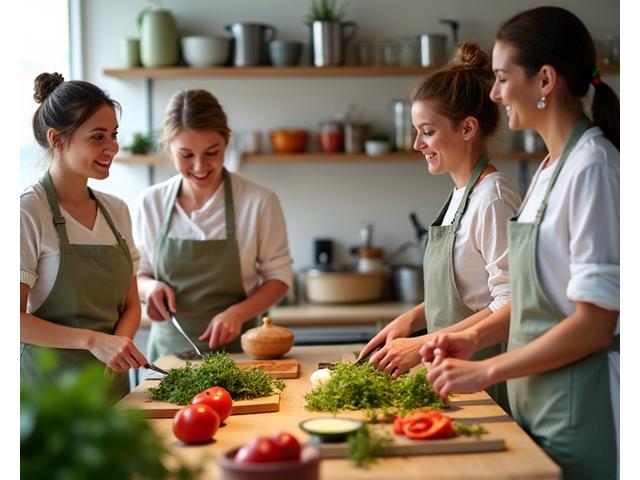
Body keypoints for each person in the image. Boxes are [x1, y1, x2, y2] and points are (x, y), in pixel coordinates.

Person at [421, 7, 619, 480]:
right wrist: (468, 338)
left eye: (503, 78)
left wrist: (488, 371)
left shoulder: (594, 168)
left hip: (578, 407)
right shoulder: (549, 172)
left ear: (545, 80)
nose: (494, 94)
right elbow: (532, 304)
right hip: (538, 404)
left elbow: (595, 325)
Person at [358, 43, 521, 411]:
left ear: (467, 128)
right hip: (453, 378)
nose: (417, 144)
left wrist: (421, 344)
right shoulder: (460, 195)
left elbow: (514, 302)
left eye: (427, 132)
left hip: (486, 381)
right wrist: (413, 318)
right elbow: (470, 291)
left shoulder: (493, 199)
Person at [134, 89, 293, 361]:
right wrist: (150, 289)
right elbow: (139, 274)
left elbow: (279, 277)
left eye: (212, 152)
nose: (200, 166)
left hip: (240, 354)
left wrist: (238, 313)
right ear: (168, 147)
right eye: (186, 155)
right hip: (168, 356)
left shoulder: (259, 201)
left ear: (227, 141)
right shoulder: (151, 202)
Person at [21, 73, 147, 399]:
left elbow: (132, 303)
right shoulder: (28, 212)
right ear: (57, 139)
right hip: (49, 402)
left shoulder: (116, 210)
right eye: (98, 137)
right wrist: (94, 340)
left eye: (114, 134)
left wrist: (120, 346)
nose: (113, 147)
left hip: (112, 394)